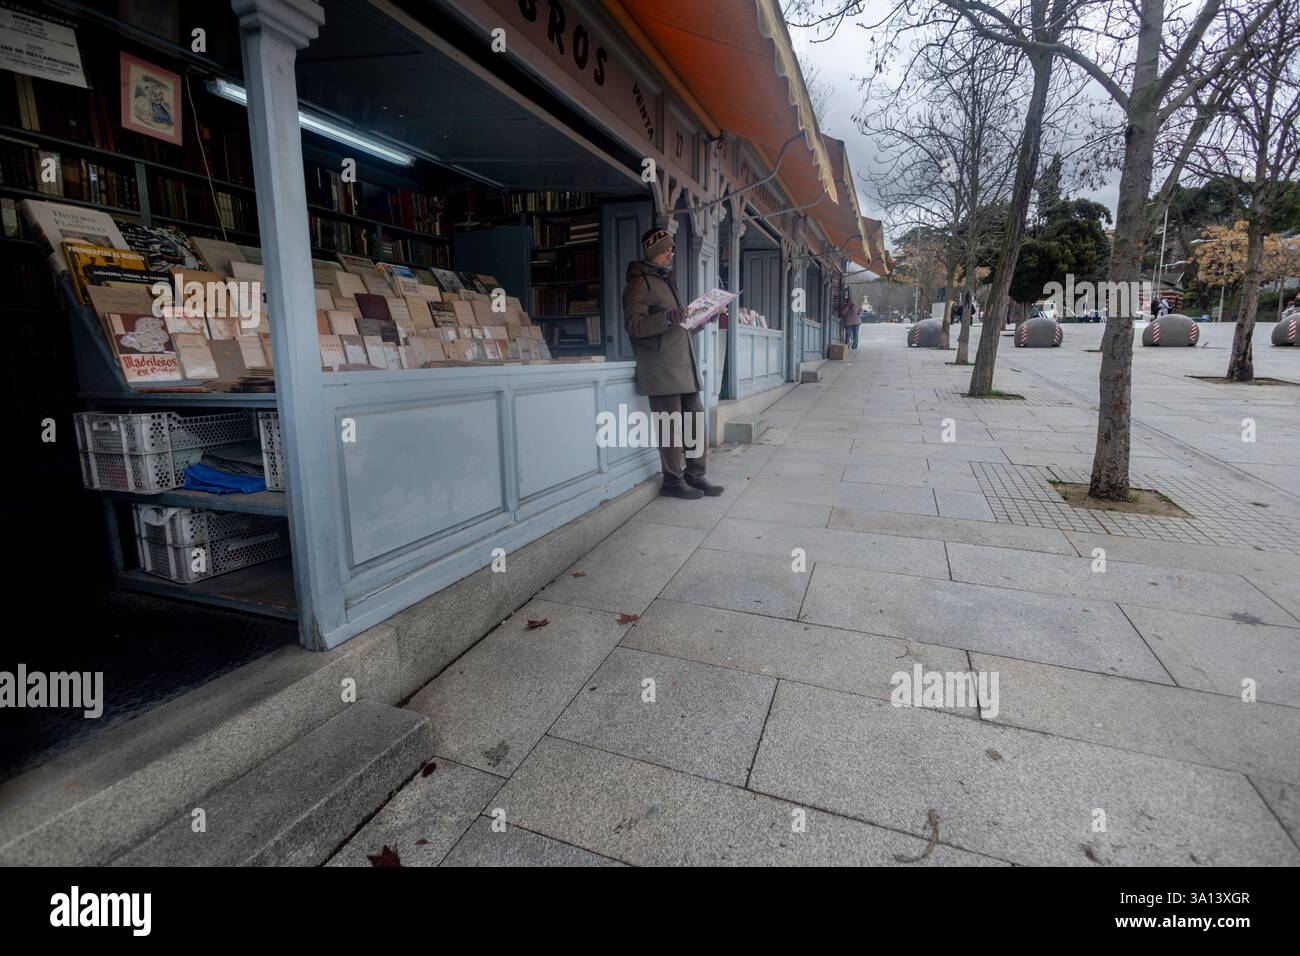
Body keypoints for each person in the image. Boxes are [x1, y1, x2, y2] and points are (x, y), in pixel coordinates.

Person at [622, 227, 723, 500]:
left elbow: (680, 325)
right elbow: (633, 325)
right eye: (667, 250)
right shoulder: (639, 283)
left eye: (673, 249)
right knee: (671, 427)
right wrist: (669, 317)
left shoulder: (665, 279)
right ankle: (672, 480)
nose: (671, 254)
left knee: (695, 423)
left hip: (683, 364)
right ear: (654, 251)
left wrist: (702, 320)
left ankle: (695, 475)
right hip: (661, 367)